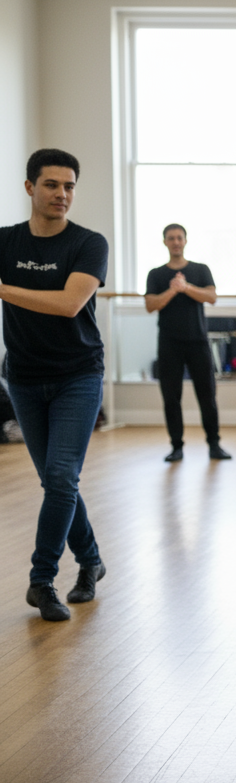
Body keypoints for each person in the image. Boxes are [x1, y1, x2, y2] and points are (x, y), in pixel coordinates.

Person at [2, 149, 108, 621]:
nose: (62, 194)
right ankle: (91, 561)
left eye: (69, 186)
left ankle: (41, 581)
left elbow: (69, 304)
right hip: (24, 378)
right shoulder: (5, 242)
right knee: (55, 481)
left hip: (78, 375)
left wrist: (3, 289)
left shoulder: (88, 243)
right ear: (30, 187)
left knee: (62, 477)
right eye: (51, 184)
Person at [145, 224, 232, 462]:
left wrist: (186, 287)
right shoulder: (156, 274)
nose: (175, 242)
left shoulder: (200, 270)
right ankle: (176, 446)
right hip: (169, 343)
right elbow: (151, 305)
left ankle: (214, 444)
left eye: (179, 238)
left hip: (197, 341)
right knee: (171, 397)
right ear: (165, 242)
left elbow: (211, 297)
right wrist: (173, 290)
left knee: (207, 395)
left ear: (185, 241)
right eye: (171, 238)